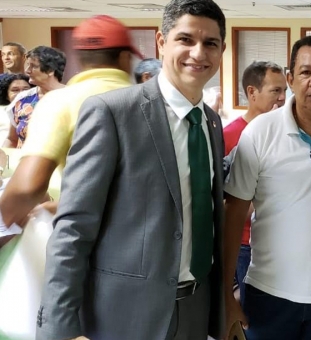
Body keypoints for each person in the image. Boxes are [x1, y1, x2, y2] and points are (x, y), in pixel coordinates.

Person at [35, 1, 227, 339]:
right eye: (185, 39)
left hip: (195, 308)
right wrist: (61, 330)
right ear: (161, 42)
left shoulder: (210, 122)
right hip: (125, 314)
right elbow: (73, 229)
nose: (198, 53)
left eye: (210, 43)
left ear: (222, 50)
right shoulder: (113, 113)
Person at [223, 35, 311, 340]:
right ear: (290, 78)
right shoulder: (260, 132)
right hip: (269, 295)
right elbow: (233, 216)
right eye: (306, 72)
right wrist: (225, 295)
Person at [0, 14, 141, 228]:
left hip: (91, 235)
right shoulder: (154, 102)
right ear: (124, 58)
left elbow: (26, 188)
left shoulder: (59, 102)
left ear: (80, 58)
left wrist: (8, 219)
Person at [223, 60, 287, 305]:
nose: (282, 98)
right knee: (253, 313)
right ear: (252, 92)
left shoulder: (287, 130)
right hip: (246, 244)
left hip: (282, 239)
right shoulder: (229, 136)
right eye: (275, 91)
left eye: (284, 91)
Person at [3, 46, 66, 148]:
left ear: (50, 70)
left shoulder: (71, 97)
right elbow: (12, 139)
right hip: (24, 161)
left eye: (33, 66)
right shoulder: (22, 99)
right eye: (28, 65)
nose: (27, 71)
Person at [0, 73, 30, 141]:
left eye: (26, 89)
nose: (21, 93)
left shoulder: (39, 110)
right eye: (15, 90)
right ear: (6, 95)